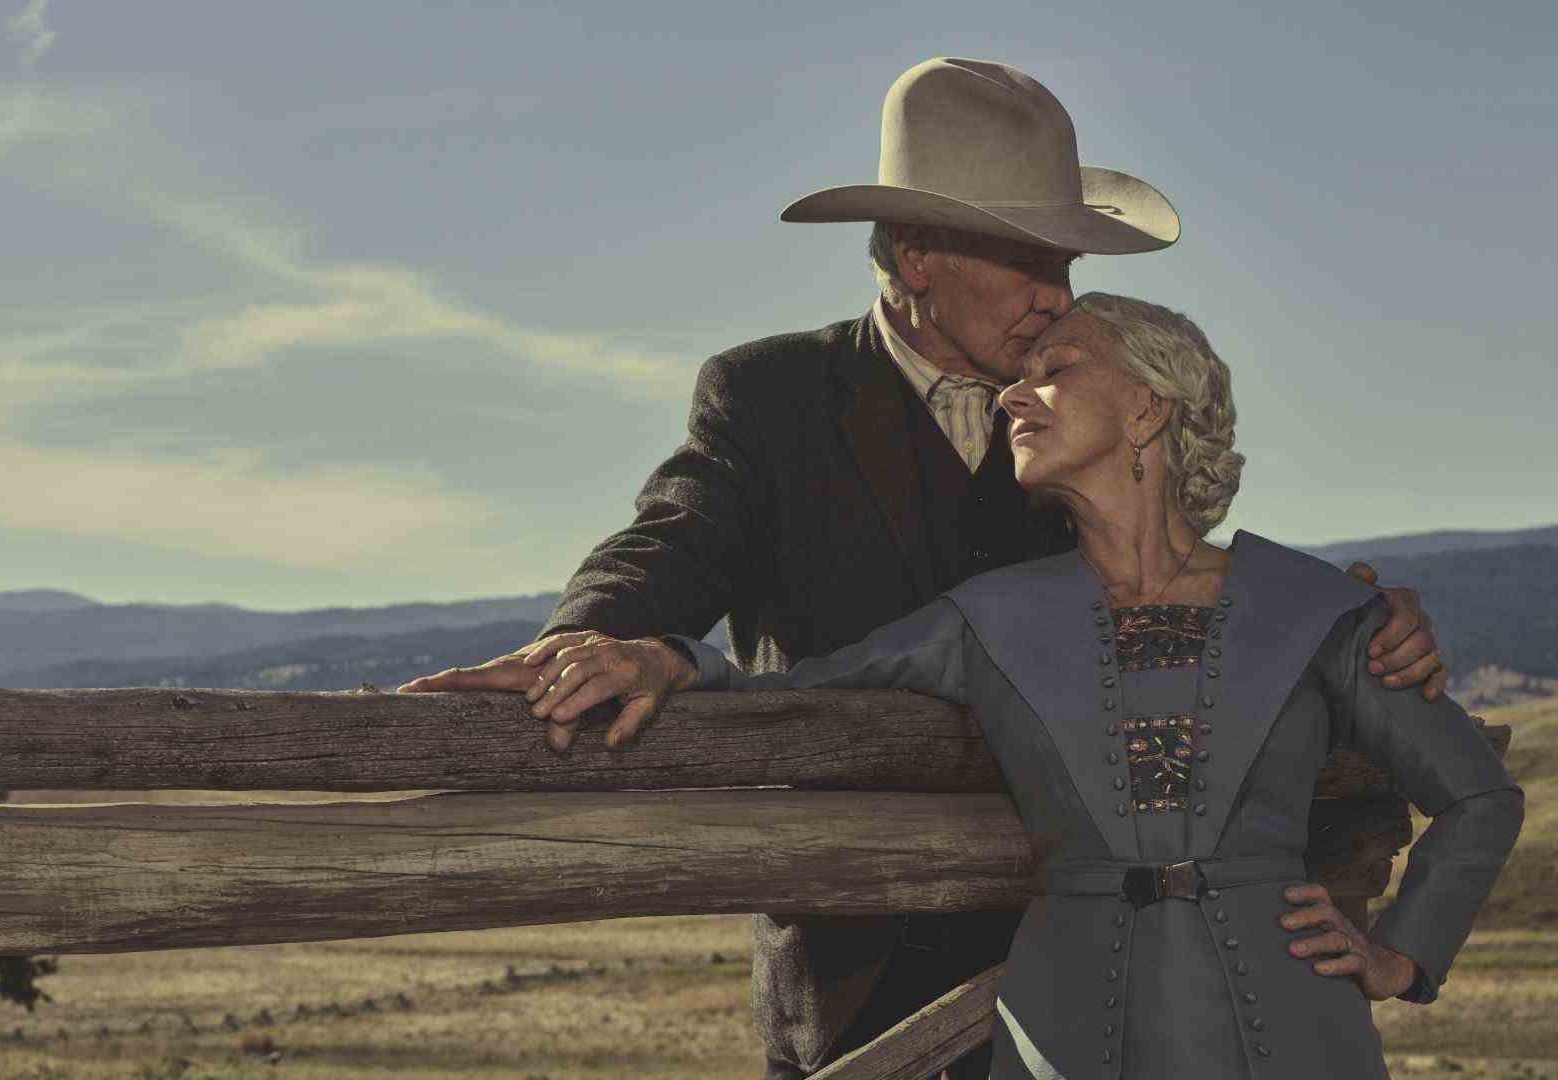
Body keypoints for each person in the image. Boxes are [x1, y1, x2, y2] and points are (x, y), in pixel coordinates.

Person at [399, 59, 1448, 1080]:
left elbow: (1178, 582)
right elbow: (673, 538)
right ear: (915, 255)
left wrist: (1351, 620)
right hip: (856, 959)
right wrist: (594, 635)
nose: (1057, 294)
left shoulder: (1074, 415)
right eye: (1025, 259)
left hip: (1080, 959)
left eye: (1068, 265)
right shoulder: (772, 397)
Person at [507, 293, 1523, 1080]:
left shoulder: (1317, 607)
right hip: (1065, 1021)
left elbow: (1479, 796)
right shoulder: (987, 615)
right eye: (1017, 375)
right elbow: (804, 693)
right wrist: (667, 657)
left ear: (1145, 407)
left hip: (1293, 1025)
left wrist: (1402, 953)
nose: (1009, 392)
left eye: (1054, 371)